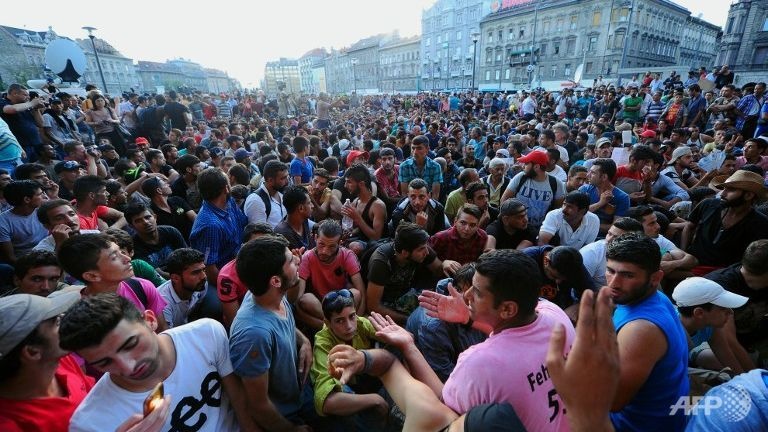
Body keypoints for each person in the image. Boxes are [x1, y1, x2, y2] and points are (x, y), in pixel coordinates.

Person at [417, 249, 576, 431]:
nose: (466, 295)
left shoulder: (479, 363)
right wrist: (468, 317)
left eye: (476, 292)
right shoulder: (556, 314)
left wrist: (407, 349)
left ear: (508, 309)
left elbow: (443, 415)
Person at [60, 293, 255, 432]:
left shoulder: (206, 334)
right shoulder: (90, 423)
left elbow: (242, 406)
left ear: (150, 320)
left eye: (131, 344)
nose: (128, 367)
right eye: (104, 362)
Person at [228, 236, 316, 431]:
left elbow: (283, 322)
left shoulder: (271, 294)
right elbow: (258, 406)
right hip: (286, 416)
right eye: (291, 261)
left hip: (301, 393)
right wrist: (290, 430)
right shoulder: (253, 335)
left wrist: (304, 342)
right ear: (275, 280)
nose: (298, 260)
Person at [605, 232, 689, 431]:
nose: (614, 283)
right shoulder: (658, 298)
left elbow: (612, 402)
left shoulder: (640, 330)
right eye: (610, 270)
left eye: (628, 275)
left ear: (656, 278)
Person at [0, 291, 95, 432]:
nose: (65, 324)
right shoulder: (10, 425)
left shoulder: (61, 361)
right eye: (57, 322)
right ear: (32, 352)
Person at [57, 233, 169, 331]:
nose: (127, 258)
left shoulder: (141, 287)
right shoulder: (83, 317)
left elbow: (162, 330)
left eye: (121, 251)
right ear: (92, 276)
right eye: (114, 257)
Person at [310, 290, 388, 424]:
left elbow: (400, 337)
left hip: (362, 377)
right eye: (339, 321)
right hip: (347, 385)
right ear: (328, 323)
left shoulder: (360, 323)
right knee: (343, 392)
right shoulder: (323, 343)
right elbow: (326, 401)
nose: (349, 326)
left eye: (352, 316)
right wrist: (375, 400)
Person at [682, 170, 768, 269]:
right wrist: (684, 252)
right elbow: (689, 226)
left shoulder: (760, 223)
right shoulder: (708, 204)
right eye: (724, 188)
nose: (722, 194)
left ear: (748, 195)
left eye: (731, 190)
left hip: (722, 273)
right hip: (691, 261)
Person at [366, 222, 447, 324]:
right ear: (405, 253)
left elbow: (439, 270)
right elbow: (373, 307)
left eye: (426, 246)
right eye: (421, 249)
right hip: (387, 303)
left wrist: (445, 264)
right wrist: (409, 319)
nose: (426, 252)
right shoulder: (381, 262)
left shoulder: (421, 248)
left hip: (409, 294)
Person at [671, 277, 751, 374]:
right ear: (699, 313)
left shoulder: (710, 326)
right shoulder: (672, 335)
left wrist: (747, 380)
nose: (730, 312)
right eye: (723, 308)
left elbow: (726, 356)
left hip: (688, 353)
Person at [189, 167, 247, 301]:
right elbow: (209, 270)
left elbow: (242, 223)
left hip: (238, 262)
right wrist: (235, 287)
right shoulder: (211, 225)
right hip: (223, 276)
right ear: (226, 188)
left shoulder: (229, 201)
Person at [297, 220, 366, 330]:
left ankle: (340, 324)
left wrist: (357, 321)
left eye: (331, 247)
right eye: (321, 244)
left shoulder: (346, 255)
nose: (325, 251)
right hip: (320, 307)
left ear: (340, 243)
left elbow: (361, 291)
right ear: (315, 238)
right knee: (306, 299)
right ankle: (334, 325)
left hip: (342, 303)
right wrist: (326, 326)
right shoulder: (307, 257)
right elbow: (298, 299)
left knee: (356, 293)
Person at [705, 239, 768, 353]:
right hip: (720, 347)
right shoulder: (719, 288)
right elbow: (729, 342)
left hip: (755, 339)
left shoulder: (761, 279)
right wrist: (752, 371)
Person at [501, 151, 565, 230]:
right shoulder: (521, 177)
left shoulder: (556, 184)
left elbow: (556, 210)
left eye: (527, 164)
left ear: (536, 167)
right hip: (515, 227)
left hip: (539, 229)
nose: (523, 166)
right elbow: (504, 200)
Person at [124, 203, 187, 276]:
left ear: (155, 217)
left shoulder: (170, 231)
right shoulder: (134, 246)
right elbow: (157, 274)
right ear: (131, 226)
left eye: (147, 217)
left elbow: (187, 257)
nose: (146, 222)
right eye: (138, 221)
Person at [580, 217, 644, 288]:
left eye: (616, 238)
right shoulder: (591, 253)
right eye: (609, 234)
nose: (608, 240)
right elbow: (579, 289)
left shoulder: (641, 253)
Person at [0, 180, 49, 264]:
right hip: (26, 261)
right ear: (27, 199)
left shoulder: (45, 210)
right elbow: (11, 257)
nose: (45, 196)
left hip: (50, 252)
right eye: (40, 194)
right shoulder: (3, 222)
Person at [430, 204, 488, 273]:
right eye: (463, 223)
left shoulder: (482, 237)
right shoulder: (441, 237)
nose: (467, 229)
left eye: (472, 225)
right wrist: (443, 263)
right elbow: (427, 258)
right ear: (455, 221)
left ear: (478, 225)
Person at [341, 165, 387, 253]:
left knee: (355, 247)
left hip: (379, 245)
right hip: (360, 239)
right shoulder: (356, 201)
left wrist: (357, 218)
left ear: (361, 184)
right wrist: (348, 233)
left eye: (349, 182)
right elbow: (360, 229)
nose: (345, 185)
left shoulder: (377, 206)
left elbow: (376, 237)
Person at [579, 158, 630, 235]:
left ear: (604, 177)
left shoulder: (622, 197)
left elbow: (616, 228)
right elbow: (576, 213)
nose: (587, 175)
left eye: (592, 173)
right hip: (579, 233)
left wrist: (588, 225)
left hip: (603, 238)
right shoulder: (584, 189)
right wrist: (600, 203)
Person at [142, 176, 196, 240]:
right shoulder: (151, 213)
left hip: (193, 238)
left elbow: (195, 218)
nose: (168, 184)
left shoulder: (177, 200)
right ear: (159, 190)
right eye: (165, 184)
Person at [0, 84, 45, 160]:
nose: (28, 97)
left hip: (36, 144)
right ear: (15, 93)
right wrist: (31, 103)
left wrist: (36, 109)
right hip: (21, 146)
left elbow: (40, 124)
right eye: (25, 95)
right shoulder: (3, 102)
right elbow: (11, 109)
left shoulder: (25, 105)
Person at [244, 160, 289, 227]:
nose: (287, 181)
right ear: (270, 180)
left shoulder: (281, 193)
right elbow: (259, 234)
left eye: (287, 177)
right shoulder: (256, 201)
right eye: (283, 178)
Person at [398, 135, 442, 200]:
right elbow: (405, 194)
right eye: (413, 148)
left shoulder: (435, 167)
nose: (415, 152)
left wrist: (428, 208)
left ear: (427, 149)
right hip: (410, 202)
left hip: (428, 202)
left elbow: (435, 195)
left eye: (419, 148)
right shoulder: (404, 166)